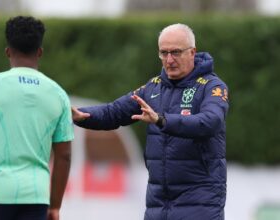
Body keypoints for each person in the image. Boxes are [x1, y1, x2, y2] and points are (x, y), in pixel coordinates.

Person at [72, 23, 229, 220]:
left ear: (192, 52)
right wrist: (79, 115)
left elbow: (210, 121)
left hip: (200, 203)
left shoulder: (212, 86)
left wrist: (162, 120)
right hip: (158, 204)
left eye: (176, 52)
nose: (169, 59)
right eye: (164, 53)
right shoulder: (153, 88)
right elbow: (114, 112)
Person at [0, 16, 74, 220]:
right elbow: (64, 155)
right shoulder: (59, 94)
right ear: (40, 52)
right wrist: (55, 205)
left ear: (7, 52)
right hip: (36, 197)